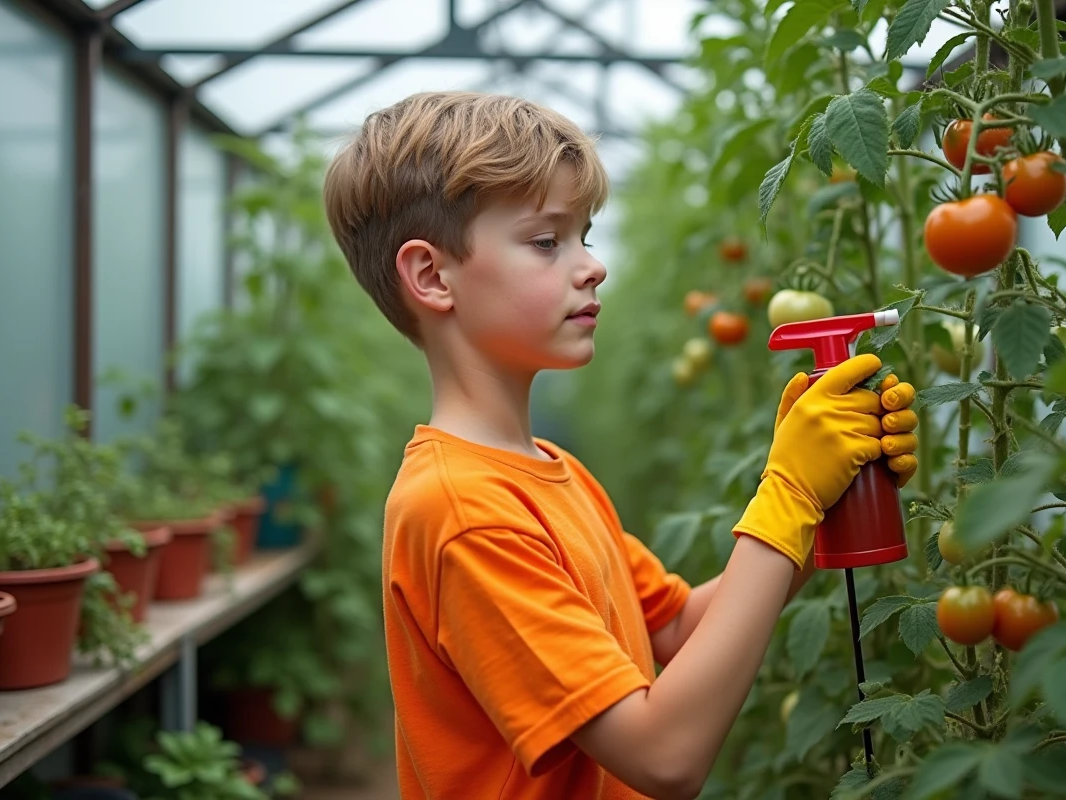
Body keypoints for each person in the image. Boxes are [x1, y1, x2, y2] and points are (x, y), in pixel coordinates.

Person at [322, 91, 920, 800]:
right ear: (430, 275)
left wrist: (817, 501)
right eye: (547, 241)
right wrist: (784, 494)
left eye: (586, 235)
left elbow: (680, 628)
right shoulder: (463, 512)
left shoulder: (551, 471)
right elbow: (664, 754)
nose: (591, 266)